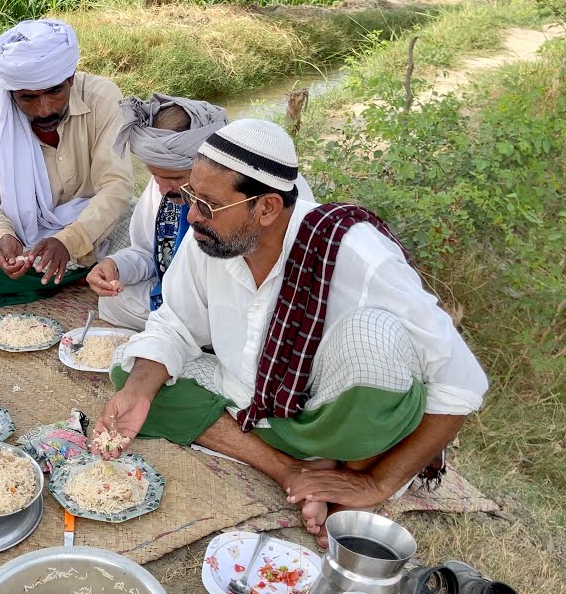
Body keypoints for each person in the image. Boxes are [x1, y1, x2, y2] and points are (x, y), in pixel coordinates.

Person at [92, 119, 487, 546]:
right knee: (133, 375)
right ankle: (293, 470)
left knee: (374, 337)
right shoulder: (211, 236)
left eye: (207, 204)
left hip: (327, 416)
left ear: (265, 209)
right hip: (250, 405)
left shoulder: (356, 252)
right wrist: (137, 392)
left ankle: (351, 474)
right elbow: (174, 323)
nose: (191, 216)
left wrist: (377, 484)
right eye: (190, 195)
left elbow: (461, 381)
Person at [0, 19, 134, 309]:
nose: (44, 109)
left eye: (54, 92)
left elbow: (116, 187)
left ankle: (51, 278)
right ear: (11, 93)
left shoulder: (103, 98)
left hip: (90, 230)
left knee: (141, 220)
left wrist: (68, 242)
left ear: (70, 77)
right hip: (24, 236)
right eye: (28, 98)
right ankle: (77, 276)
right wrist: (3, 236)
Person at [91, 95, 315, 330]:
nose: (162, 189)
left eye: (175, 178)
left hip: (242, 308)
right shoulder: (163, 187)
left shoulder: (271, 198)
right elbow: (147, 252)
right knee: (115, 301)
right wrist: (116, 266)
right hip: (185, 300)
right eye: (155, 177)